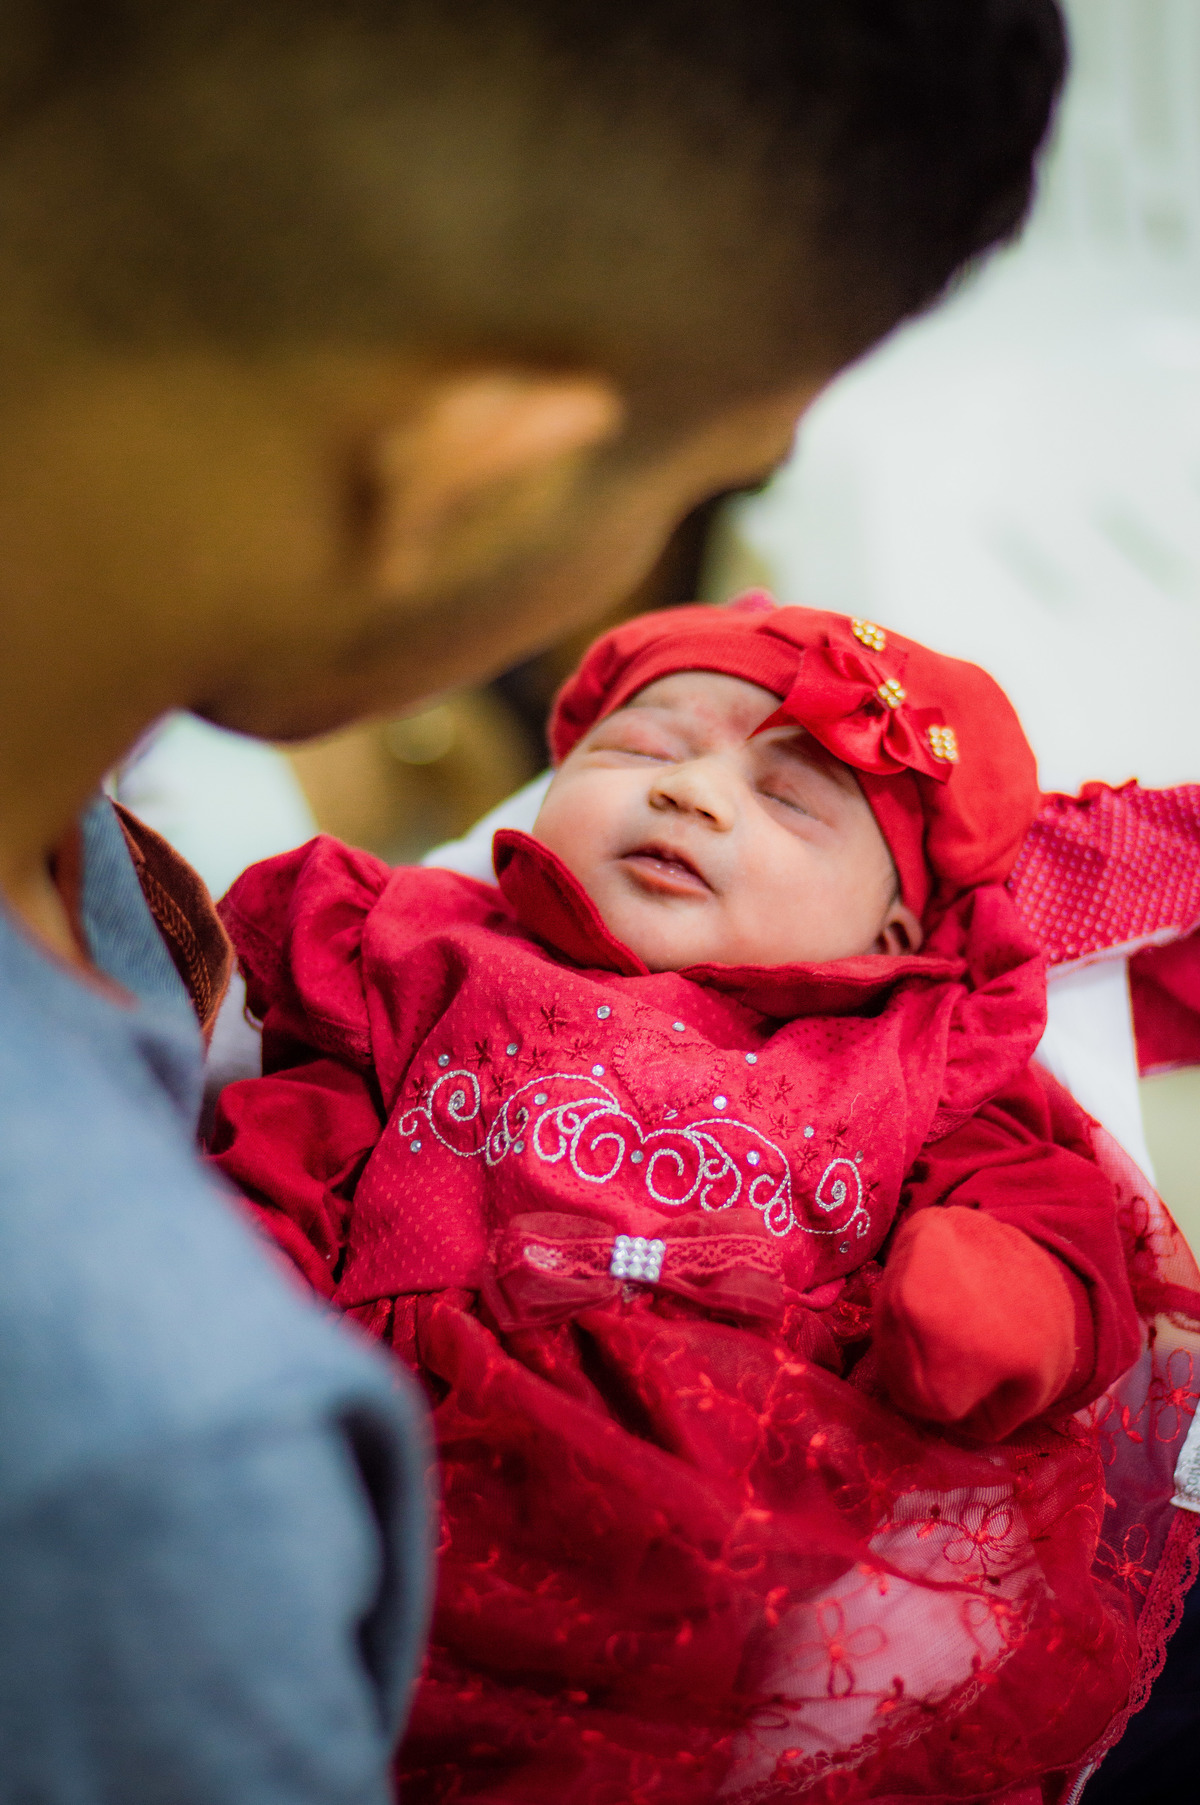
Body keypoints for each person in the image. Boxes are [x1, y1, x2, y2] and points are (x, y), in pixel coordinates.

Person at [0, 3, 1072, 1798]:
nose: (686, 790)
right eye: (710, 486)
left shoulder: (100, 879)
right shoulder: (169, 1468)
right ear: (473, 486)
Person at [209, 598, 1191, 1803]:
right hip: (404, 1482)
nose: (696, 795)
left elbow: (1047, 1208)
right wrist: (246, 1272)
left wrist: (1012, 1295)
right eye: (643, 750)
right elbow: (296, 1141)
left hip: (771, 1555)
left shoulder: (912, 1055)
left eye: (791, 800)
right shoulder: (424, 952)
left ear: (893, 926)